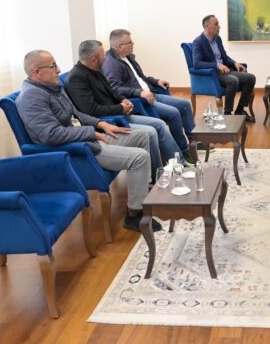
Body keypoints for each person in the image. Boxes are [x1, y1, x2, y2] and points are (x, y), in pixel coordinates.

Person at [15, 49, 161, 232]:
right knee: (140, 157)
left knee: (141, 135)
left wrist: (101, 124)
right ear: (36, 72)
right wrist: (91, 133)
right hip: (76, 150)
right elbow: (50, 135)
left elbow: (76, 115)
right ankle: (135, 215)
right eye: (53, 66)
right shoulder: (31, 97)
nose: (58, 70)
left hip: (86, 138)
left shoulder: (52, 87)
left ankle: (141, 194)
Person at [65, 40, 192, 169]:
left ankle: (179, 164)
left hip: (118, 115)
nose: (105, 57)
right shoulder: (76, 78)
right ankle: (158, 173)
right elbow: (91, 110)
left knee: (159, 124)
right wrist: (120, 108)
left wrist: (124, 100)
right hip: (108, 122)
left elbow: (112, 91)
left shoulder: (95, 69)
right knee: (151, 132)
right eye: (103, 54)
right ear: (93, 59)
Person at [103, 28, 195, 153]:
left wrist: (156, 81)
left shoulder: (128, 57)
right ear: (119, 46)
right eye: (130, 42)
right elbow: (115, 89)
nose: (133, 44)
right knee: (174, 113)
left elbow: (141, 77)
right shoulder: (111, 64)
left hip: (151, 94)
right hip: (141, 101)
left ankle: (194, 141)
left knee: (184, 105)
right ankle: (183, 150)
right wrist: (139, 93)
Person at [192, 14, 256, 122]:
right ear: (207, 26)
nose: (219, 26)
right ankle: (227, 113)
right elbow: (197, 63)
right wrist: (217, 65)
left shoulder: (217, 39)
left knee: (251, 78)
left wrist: (235, 63)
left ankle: (239, 110)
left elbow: (224, 57)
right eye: (216, 24)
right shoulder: (198, 42)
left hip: (225, 70)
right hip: (213, 74)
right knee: (233, 80)